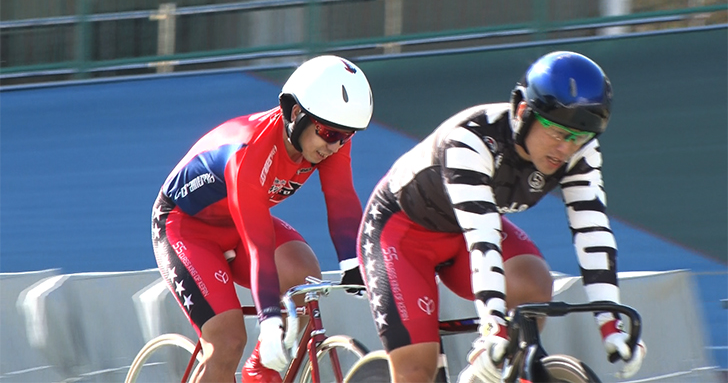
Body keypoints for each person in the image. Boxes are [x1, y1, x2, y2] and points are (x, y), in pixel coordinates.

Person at [356, 51, 647, 382]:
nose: (566, 149)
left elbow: (592, 230)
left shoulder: (581, 150)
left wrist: (611, 324)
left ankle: (491, 372)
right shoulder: (471, 139)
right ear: (523, 112)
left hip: (464, 230)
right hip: (401, 233)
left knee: (534, 283)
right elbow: (483, 240)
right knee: (417, 370)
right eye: (556, 132)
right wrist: (492, 324)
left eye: (578, 137)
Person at [151, 55, 372, 383]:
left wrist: (353, 264)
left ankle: (259, 370)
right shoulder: (251, 151)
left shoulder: (329, 142)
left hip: (235, 221)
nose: (336, 145)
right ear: (296, 114)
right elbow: (258, 247)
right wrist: (269, 322)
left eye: (346, 135)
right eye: (329, 133)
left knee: (304, 278)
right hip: (185, 226)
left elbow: (341, 198)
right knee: (227, 341)